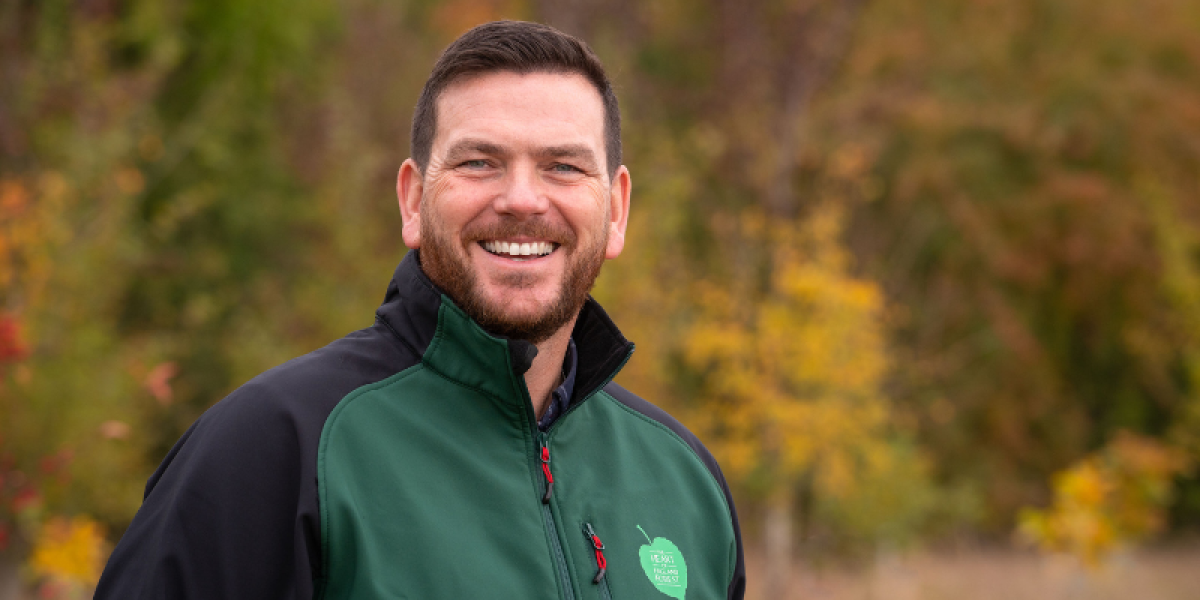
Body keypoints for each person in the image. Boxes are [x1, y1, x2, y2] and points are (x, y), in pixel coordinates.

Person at [95, 20, 746, 600]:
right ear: (412, 200)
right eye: (479, 161)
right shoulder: (274, 448)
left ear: (616, 210)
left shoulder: (684, 481)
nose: (522, 199)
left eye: (563, 167)